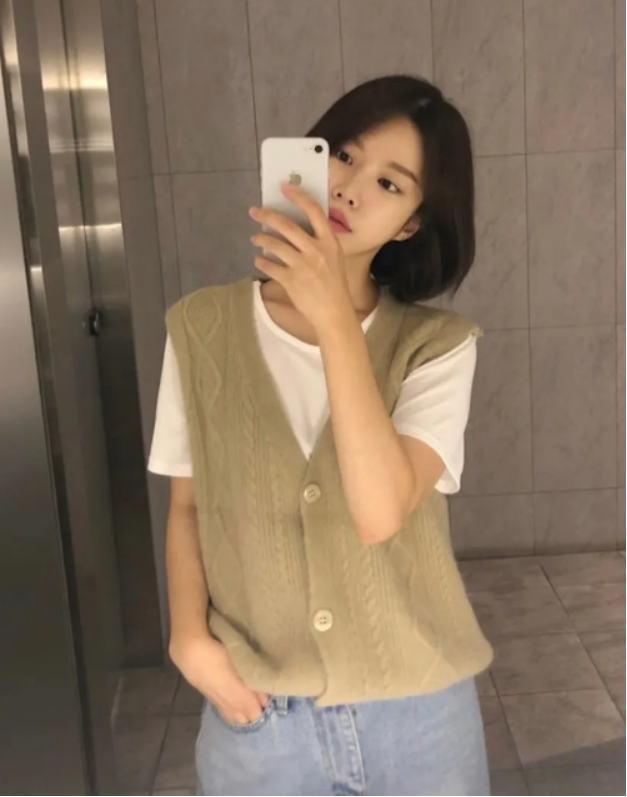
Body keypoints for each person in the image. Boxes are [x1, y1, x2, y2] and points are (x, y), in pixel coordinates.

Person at [148, 75, 493, 796]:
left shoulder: (437, 346)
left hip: (420, 714)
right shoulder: (200, 327)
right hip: (259, 715)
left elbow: (378, 511)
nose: (348, 189)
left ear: (409, 225)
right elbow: (188, 506)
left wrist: (335, 317)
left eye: (389, 184)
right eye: (342, 154)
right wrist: (189, 640)